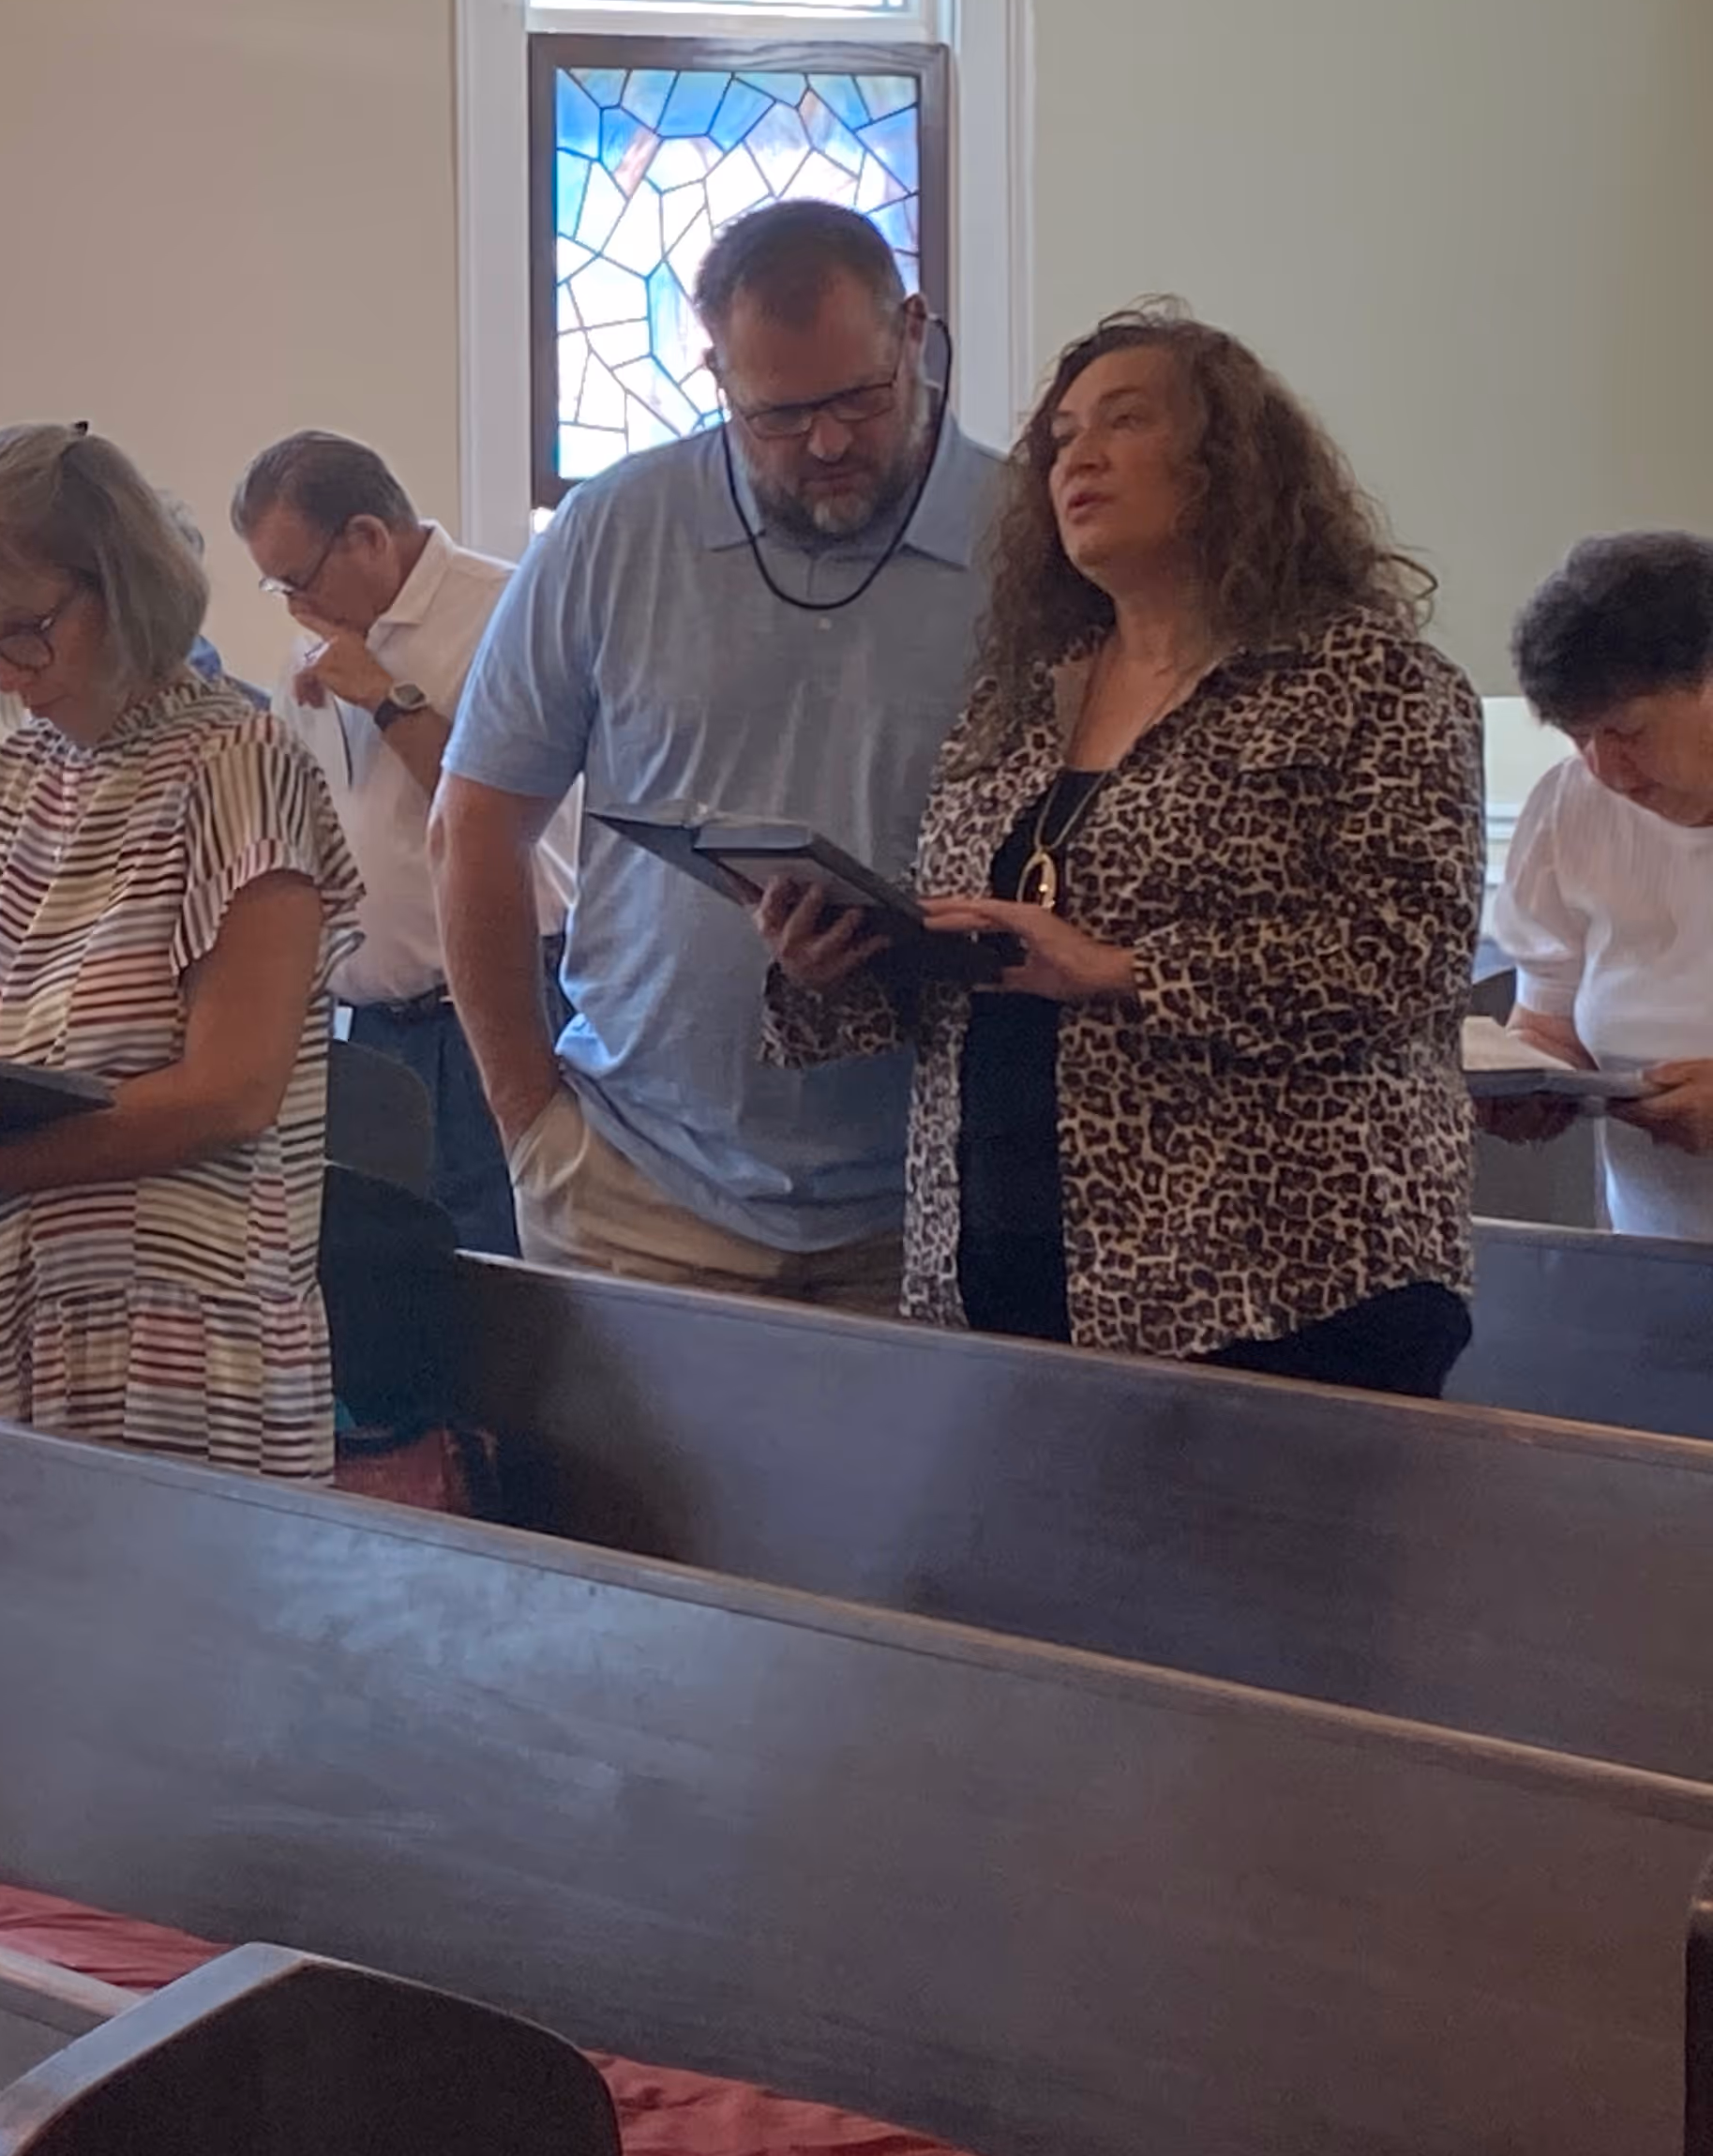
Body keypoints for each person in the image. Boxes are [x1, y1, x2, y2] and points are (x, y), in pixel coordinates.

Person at [759, 306, 1482, 1393]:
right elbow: (977, 967)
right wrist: (838, 966)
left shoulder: (1371, 684)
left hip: (1287, 1284)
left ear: (1228, 460)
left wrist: (1122, 971)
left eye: (1124, 423)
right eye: (1059, 440)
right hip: (1005, 1266)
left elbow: (1403, 959)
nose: (1077, 458)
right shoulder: (1015, 706)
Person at [439, 199, 996, 1306]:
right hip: (634, 1187)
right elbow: (474, 825)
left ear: (916, 332)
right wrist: (527, 1117)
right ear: (716, 377)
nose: (827, 443)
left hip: (931, 1197)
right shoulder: (618, 527)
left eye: (856, 398)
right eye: (777, 416)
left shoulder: (1027, 538)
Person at [0, 421, 359, 1482]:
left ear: (122, 584)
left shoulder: (237, 764)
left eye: (26, 632)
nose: (11, 676)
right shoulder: (13, 780)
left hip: (176, 1344)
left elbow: (231, 1095)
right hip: (0, 1301)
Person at [230, 430, 551, 1254]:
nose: (296, 610)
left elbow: (511, 814)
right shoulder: (315, 640)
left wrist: (384, 696)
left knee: (499, 1276)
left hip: (489, 1007)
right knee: (381, 1280)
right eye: (280, 589)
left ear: (368, 536)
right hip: (367, 1027)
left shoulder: (506, 612)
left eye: (299, 581)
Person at [1485, 532, 1713, 1238]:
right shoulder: (1573, 806)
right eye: (1579, 739)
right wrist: (1530, 1081)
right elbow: (1550, 1021)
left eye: (1628, 732)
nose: (1607, 770)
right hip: (1657, 1255)